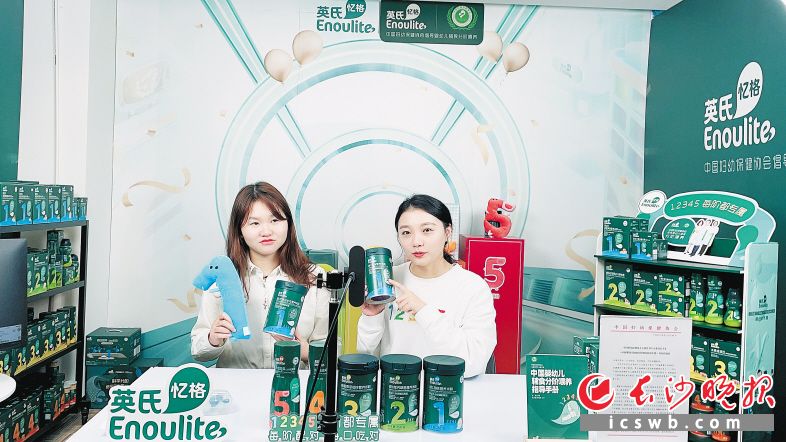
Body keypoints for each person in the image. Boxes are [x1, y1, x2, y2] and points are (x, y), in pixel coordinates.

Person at [357, 194, 497, 377]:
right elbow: (366, 359)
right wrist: (372, 318)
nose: (416, 242)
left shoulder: (473, 287)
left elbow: (472, 364)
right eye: (406, 232)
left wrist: (423, 310)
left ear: (447, 232)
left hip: (445, 389)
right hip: (395, 387)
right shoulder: (389, 280)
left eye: (427, 230)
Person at [191, 182, 329, 368]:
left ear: (288, 224)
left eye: (275, 220)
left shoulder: (315, 277)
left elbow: (329, 355)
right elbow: (198, 352)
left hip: (294, 383)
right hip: (237, 383)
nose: (266, 231)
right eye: (254, 223)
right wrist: (213, 338)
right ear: (239, 230)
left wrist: (302, 350)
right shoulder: (223, 278)